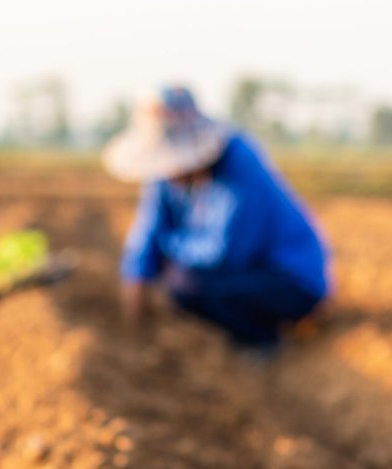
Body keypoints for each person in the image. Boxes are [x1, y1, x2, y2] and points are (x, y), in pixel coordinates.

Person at [103, 86, 330, 357]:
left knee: (187, 285)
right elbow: (147, 236)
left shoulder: (239, 161)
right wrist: (135, 310)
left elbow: (228, 252)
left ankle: (263, 341)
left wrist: (170, 249)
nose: (170, 172)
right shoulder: (165, 177)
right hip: (238, 273)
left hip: (290, 280)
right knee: (180, 283)